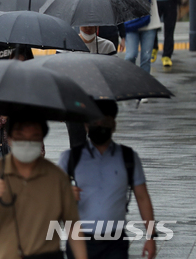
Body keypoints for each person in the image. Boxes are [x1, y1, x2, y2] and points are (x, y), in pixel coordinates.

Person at [0, 117, 87, 259]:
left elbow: (73, 227)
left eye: (34, 137)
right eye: (20, 137)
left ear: (41, 139)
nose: (27, 143)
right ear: (9, 139)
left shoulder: (56, 177)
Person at [58, 101, 157, 259]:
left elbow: (142, 198)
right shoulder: (70, 158)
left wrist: (151, 236)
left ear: (114, 125)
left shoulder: (128, 158)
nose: (99, 126)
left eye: (105, 122)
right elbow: (51, 196)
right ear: (86, 125)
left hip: (115, 242)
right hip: (80, 239)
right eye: (94, 122)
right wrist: (65, 194)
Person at [120, 0, 163, 73]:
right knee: (130, 55)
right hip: (131, 23)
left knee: (146, 58)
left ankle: (145, 86)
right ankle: (130, 80)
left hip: (150, 23)